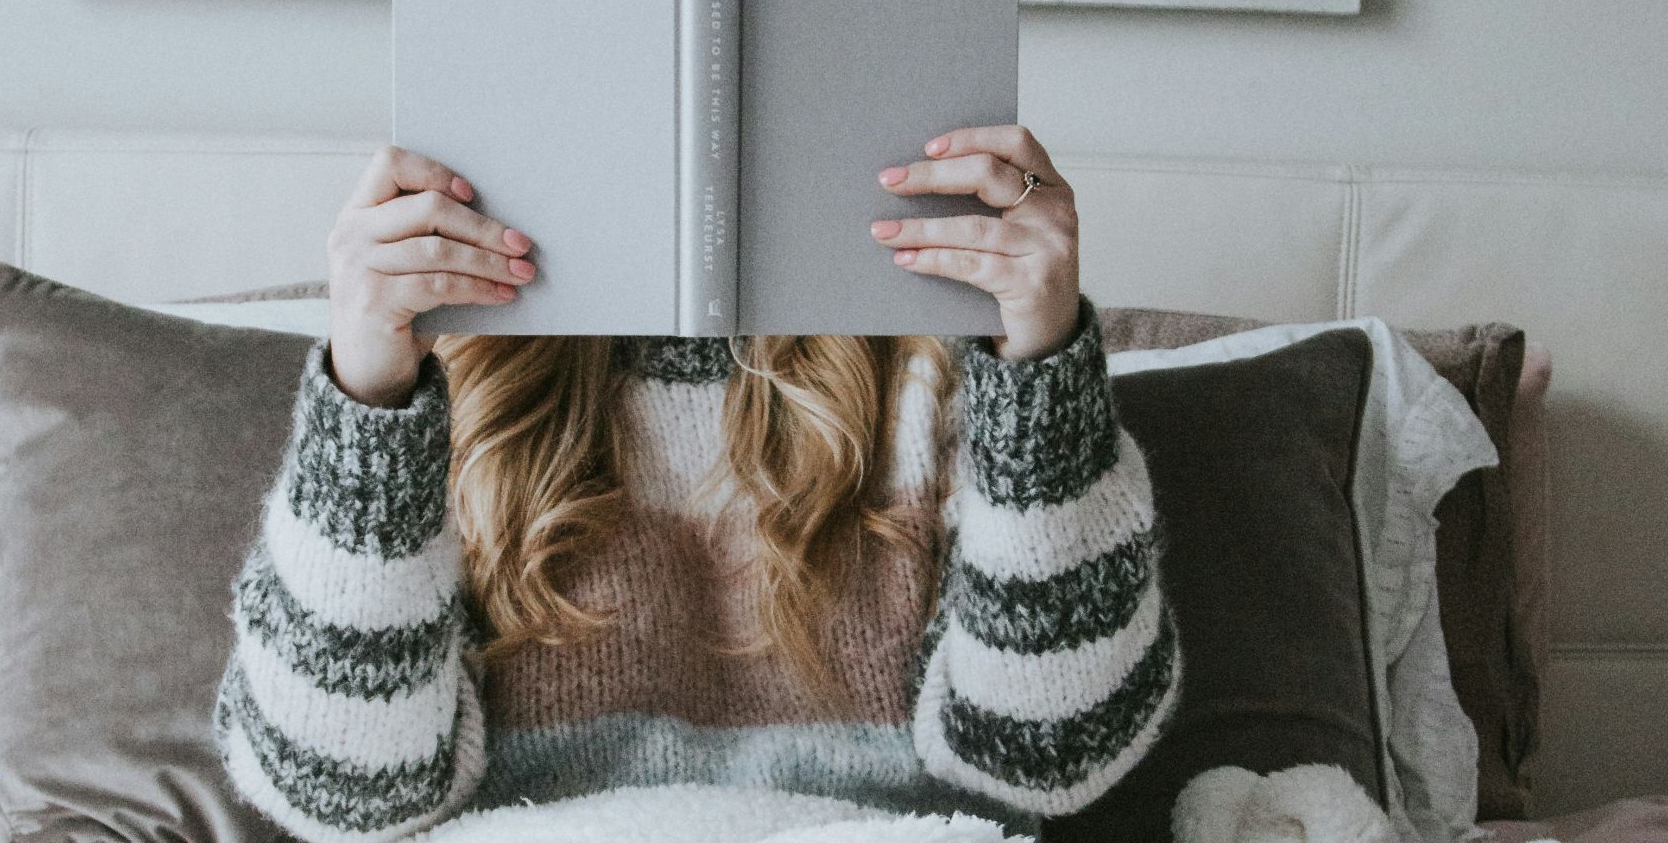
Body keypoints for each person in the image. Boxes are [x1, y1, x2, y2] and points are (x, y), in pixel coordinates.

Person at [210, 124, 1181, 842]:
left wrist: (1043, 375)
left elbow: (1054, 753)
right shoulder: (452, 386)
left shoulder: (945, 378)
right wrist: (371, 400)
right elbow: (337, 786)